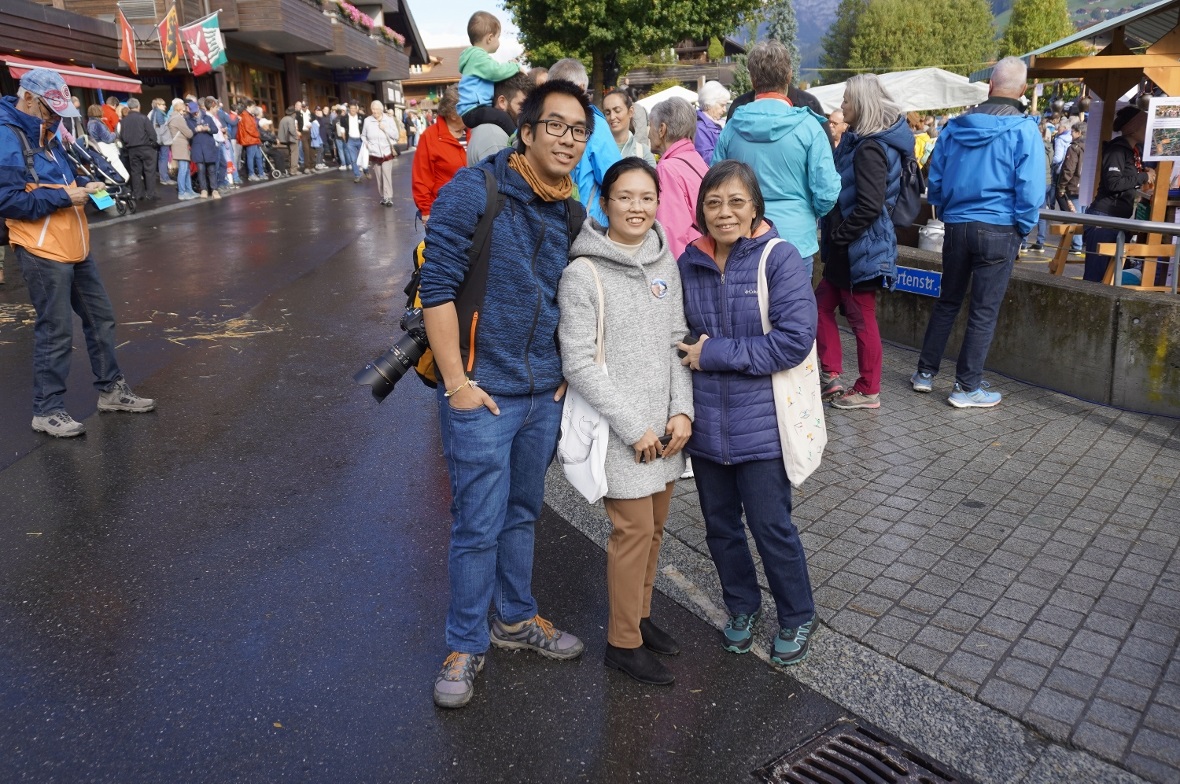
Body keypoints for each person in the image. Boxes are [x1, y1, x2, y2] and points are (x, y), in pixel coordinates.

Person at [418, 79, 594, 709]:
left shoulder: (572, 208)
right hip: (482, 393)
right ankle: (465, 643)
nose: (568, 139)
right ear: (528, 130)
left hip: (542, 393)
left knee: (523, 512)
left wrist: (568, 370)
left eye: (579, 130)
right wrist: (458, 385)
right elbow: (434, 288)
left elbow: (580, 295)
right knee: (477, 524)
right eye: (557, 125)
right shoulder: (476, 189)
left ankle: (515, 618)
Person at [557, 158, 693, 686]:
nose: (636, 208)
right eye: (625, 197)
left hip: (665, 427)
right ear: (604, 202)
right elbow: (579, 362)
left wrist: (682, 410)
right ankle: (622, 641)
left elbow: (677, 339)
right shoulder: (583, 273)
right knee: (632, 531)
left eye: (646, 197)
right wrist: (634, 425)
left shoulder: (666, 263)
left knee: (655, 529)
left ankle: (639, 615)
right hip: (623, 431)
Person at [677, 160, 818, 666]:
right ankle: (741, 607)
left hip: (763, 424)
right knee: (720, 526)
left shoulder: (778, 259)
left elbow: (794, 341)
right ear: (700, 209)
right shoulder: (688, 263)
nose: (724, 212)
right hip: (708, 425)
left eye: (736, 202)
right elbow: (676, 337)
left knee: (770, 524)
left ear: (755, 206)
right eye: (713, 202)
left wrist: (713, 353)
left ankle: (798, 614)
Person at [0, 67, 155, 438]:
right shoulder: (7, 135)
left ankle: (111, 391)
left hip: (73, 243)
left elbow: (63, 178)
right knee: (55, 329)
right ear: (29, 98)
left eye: (59, 110)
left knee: (101, 318)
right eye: (50, 109)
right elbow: (7, 200)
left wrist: (87, 184)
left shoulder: (48, 131)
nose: (56, 116)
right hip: (40, 247)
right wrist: (65, 196)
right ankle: (47, 409)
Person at [913, 56, 1043, 408]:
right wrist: (1024, 226)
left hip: (957, 224)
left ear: (990, 85)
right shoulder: (1025, 129)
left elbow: (935, 177)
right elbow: (1030, 189)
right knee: (983, 311)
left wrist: (946, 209)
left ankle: (925, 373)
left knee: (948, 300)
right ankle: (967, 387)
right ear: (1023, 90)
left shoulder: (956, 127)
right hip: (1000, 227)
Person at [817, 74, 911, 411]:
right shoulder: (863, 141)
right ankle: (831, 373)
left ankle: (868, 388)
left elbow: (870, 206)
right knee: (821, 306)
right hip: (854, 247)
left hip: (859, 248)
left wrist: (840, 236)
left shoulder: (869, 147)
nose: (841, 107)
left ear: (862, 105)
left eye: (846, 101)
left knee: (860, 319)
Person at [712, 40, 838, 280]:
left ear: (752, 79)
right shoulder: (809, 126)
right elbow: (828, 191)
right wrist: (808, 211)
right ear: (789, 76)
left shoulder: (733, 127)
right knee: (793, 315)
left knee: (748, 315)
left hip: (744, 236)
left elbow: (714, 184)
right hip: (795, 238)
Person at [1083, 107, 1154, 283]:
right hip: (1104, 219)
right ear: (1133, 128)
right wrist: (1144, 176)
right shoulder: (1117, 150)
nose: (1148, 129)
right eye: (1145, 125)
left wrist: (1143, 173)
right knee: (1096, 278)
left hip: (1116, 219)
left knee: (1110, 277)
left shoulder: (1133, 151)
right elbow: (1113, 183)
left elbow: (1125, 177)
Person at [548, 57, 621, 225]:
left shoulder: (541, 121)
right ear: (582, 88)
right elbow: (615, 178)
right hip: (586, 224)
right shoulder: (595, 124)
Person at [649, 97, 708, 259]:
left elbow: (671, 233)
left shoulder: (667, 169)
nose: (648, 134)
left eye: (650, 126)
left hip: (689, 260)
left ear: (662, 129)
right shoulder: (695, 158)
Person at [456, 11, 524, 134]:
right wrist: (515, 67)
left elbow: (495, 71)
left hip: (474, 110)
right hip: (473, 110)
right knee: (502, 118)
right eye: (498, 37)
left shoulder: (476, 58)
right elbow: (496, 71)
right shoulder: (477, 56)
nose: (498, 41)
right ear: (490, 38)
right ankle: (516, 140)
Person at [413, 85, 467, 220]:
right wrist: (426, 210)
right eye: (467, 108)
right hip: (444, 211)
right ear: (453, 114)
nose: (472, 112)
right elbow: (421, 177)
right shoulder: (430, 136)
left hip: (473, 210)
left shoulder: (474, 131)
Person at [466, 72, 531, 165]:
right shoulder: (494, 134)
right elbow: (505, 177)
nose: (526, 112)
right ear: (502, 102)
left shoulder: (494, 130)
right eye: (521, 105)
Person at [117, 98, 158, 201]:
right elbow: (152, 133)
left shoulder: (124, 121)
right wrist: (153, 143)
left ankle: (137, 194)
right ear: (138, 106)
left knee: (135, 172)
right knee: (149, 171)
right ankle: (150, 193)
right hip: (146, 147)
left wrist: (127, 145)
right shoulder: (143, 118)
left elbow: (121, 136)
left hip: (132, 149)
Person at [362, 100, 399, 207]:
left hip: (387, 151)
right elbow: (363, 135)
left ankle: (388, 197)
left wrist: (385, 128)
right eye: (373, 109)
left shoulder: (389, 120)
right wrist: (367, 143)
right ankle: (383, 196)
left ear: (381, 109)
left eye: (377, 109)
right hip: (374, 152)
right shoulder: (367, 121)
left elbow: (396, 135)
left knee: (386, 174)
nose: (375, 111)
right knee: (379, 176)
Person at [1056, 120, 1085, 253]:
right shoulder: (1091, 146)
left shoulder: (1074, 147)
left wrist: (1062, 186)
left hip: (1074, 185)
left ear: (1079, 132)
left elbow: (1069, 168)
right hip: (1086, 185)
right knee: (1083, 215)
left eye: (1073, 131)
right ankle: (1081, 242)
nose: (1071, 134)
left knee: (1075, 215)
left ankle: (1077, 245)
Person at [603, 89, 655, 164]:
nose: (612, 117)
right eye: (607, 113)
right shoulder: (596, 150)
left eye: (617, 110)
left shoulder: (643, 152)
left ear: (630, 112)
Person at [86, 104, 129, 181]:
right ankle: (121, 180)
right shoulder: (97, 124)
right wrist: (114, 133)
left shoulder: (90, 122)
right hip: (106, 147)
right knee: (117, 167)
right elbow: (108, 139)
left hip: (99, 147)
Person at [187, 101, 220, 199]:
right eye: (193, 112)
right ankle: (204, 190)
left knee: (211, 169)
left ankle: (214, 190)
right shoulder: (188, 120)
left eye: (196, 111)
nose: (195, 113)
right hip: (197, 147)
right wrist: (195, 130)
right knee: (200, 170)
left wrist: (208, 128)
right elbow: (188, 133)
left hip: (208, 147)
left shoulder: (207, 118)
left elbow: (215, 130)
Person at [167, 98, 196, 199]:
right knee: (183, 170)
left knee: (186, 169)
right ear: (180, 109)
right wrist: (193, 131)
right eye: (183, 110)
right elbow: (188, 133)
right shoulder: (178, 119)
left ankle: (189, 190)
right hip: (181, 145)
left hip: (177, 145)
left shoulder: (172, 117)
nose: (184, 112)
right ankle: (182, 192)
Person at [694, 81, 730, 164]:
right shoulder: (700, 128)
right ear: (709, 104)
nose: (724, 110)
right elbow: (708, 159)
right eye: (722, 105)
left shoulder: (715, 124)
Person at [148, 98, 174, 186]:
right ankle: (164, 178)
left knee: (160, 158)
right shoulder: (159, 113)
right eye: (163, 104)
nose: (165, 106)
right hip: (163, 140)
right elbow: (162, 126)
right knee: (164, 158)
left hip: (157, 139)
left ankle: (163, 177)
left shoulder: (153, 113)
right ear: (158, 105)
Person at [337, 101, 364, 182]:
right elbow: (342, 129)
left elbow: (365, 127)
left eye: (354, 108)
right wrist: (344, 138)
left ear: (356, 109)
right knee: (353, 159)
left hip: (360, 139)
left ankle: (365, 170)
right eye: (351, 108)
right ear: (349, 109)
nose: (353, 110)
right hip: (351, 140)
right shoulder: (344, 118)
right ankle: (357, 175)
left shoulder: (361, 117)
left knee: (363, 157)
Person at [238, 100, 265, 181]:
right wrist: (258, 135)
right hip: (250, 139)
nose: (254, 108)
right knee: (251, 157)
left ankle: (261, 173)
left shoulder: (249, 115)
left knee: (258, 156)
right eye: (253, 107)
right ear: (248, 106)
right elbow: (249, 129)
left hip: (253, 139)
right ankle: (251, 174)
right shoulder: (245, 115)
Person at [278, 106, 301, 178]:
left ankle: (291, 169)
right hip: (291, 139)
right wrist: (296, 135)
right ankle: (293, 170)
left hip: (285, 139)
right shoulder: (291, 119)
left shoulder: (283, 119)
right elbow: (292, 130)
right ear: (293, 113)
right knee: (294, 154)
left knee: (290, 154)